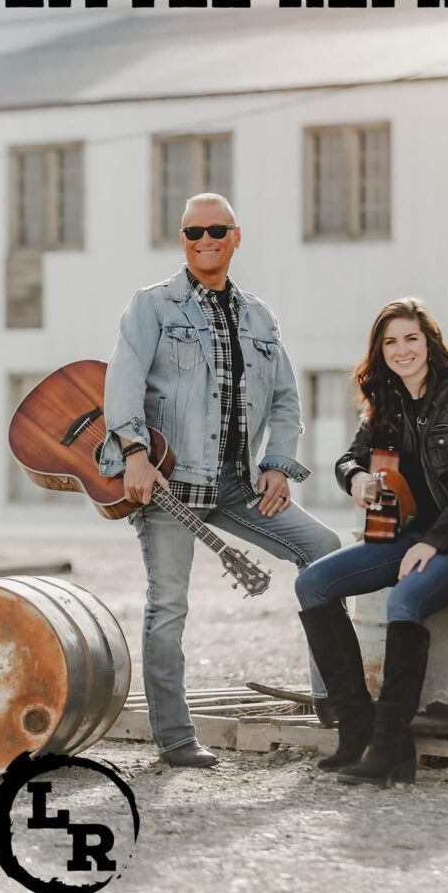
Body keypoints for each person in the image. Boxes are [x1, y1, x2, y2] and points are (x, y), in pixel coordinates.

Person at [100, 193, 340, 768]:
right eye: (191, 232)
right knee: (169, 607)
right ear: (182, 240)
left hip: (237, 486)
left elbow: (285, 400)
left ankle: (335, 700)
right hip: (169, 483)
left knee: (326, 552)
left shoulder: (260, 317)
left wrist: (279, 463)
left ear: (236, 236)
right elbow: (122, 383)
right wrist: (133, 450)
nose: (203, 240)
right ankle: (177, 738)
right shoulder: (152, 306)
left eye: (215, 230)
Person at [294, 298, 448, 786]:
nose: (402, 350)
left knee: (405, 600)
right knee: (313, 583)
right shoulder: (387, 401)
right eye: (391, 341)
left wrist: (434, 543)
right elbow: (348, 459)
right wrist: (354, 478)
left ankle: (394, 747)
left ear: (429, 342)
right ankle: (357, 725)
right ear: (381, 351)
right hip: (408, 535)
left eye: (411, 338)